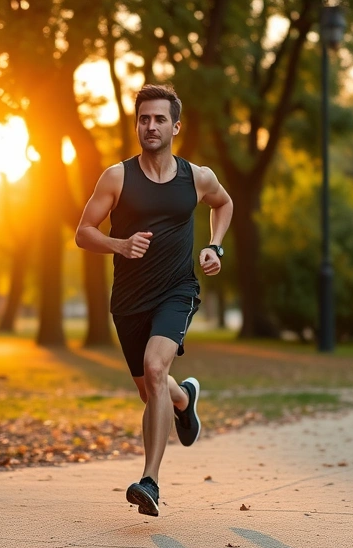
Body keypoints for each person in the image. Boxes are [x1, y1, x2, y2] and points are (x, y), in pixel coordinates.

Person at [74, 84, 233, 517]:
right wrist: (120, 245)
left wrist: (214, 247)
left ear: (175, 126)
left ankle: (150, 482)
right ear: (137, 125)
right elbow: (82, 232)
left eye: (160, 118)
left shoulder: (196, 177)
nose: (151, 125)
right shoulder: (117, 177)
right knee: (153, 392)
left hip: (177, 291)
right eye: (144, 119)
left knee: (156, 367)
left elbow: (224, 203)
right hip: (128, 300)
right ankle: (184, 400)